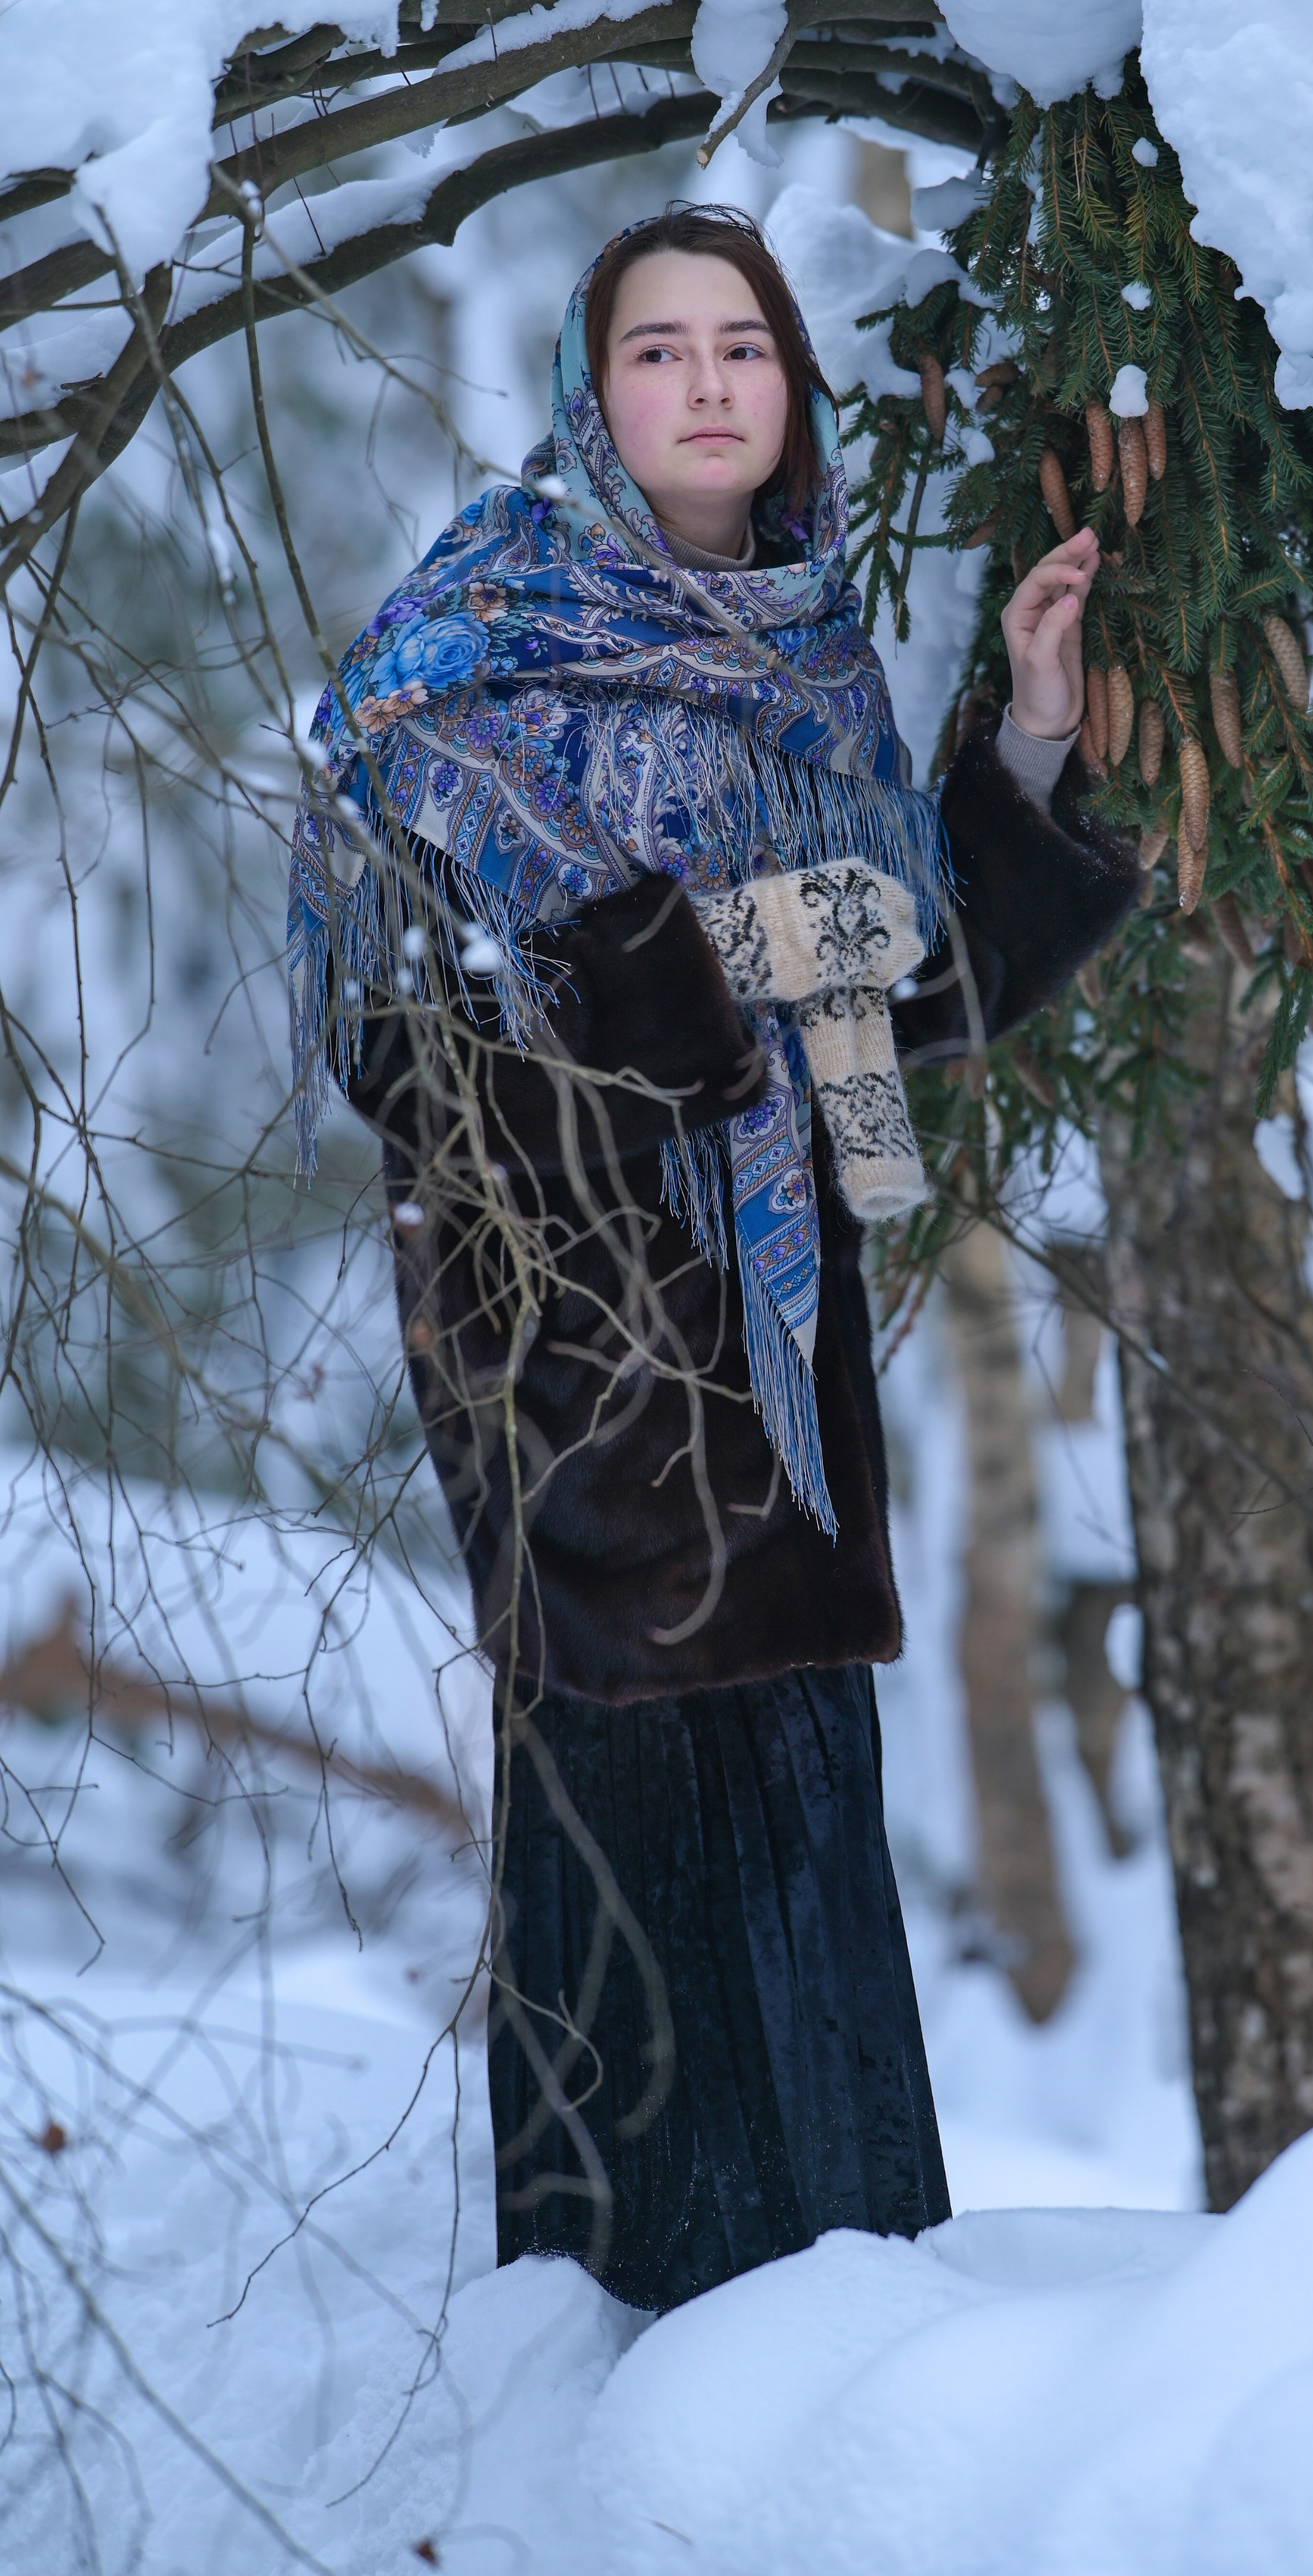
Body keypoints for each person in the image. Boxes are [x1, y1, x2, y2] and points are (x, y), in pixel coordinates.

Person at [288, 203, 1139, 2316]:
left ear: (793, 390)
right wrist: (690, 985)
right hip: (566, 1340)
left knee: (802, 1847)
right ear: (592, 394)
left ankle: (843, 2357)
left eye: (742, 346)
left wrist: (1032, 736)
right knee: (642, 1853)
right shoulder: (467, 656)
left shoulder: (812, 652)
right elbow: (397, 1046)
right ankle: (628, 2358)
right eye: (657, 350)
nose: (705, 386)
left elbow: (912, 981)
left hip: (777, 1350)